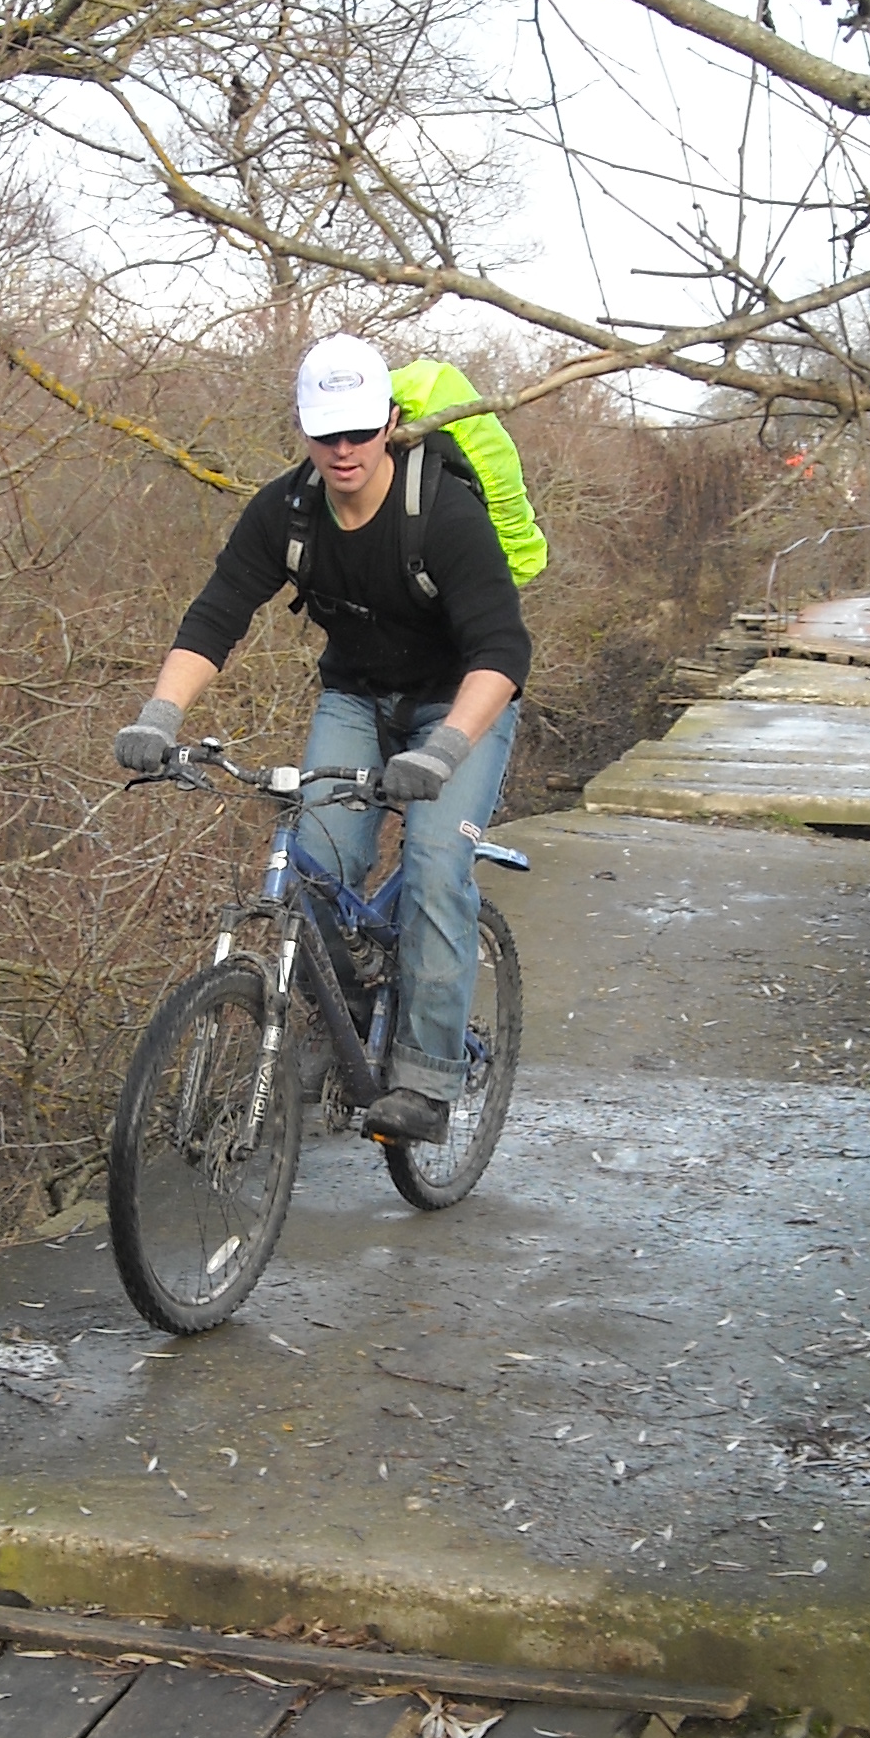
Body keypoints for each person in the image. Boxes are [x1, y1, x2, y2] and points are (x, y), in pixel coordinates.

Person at [115, 332, 529, 1145]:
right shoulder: (288, 511)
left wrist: (444, 750)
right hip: (356, 700)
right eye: (326, 433)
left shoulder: (444, 515)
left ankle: (427, 1080)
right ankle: (355, 1017)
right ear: (303, 429)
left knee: (434, 866)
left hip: (461, 707)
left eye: (361, 431)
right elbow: (217, 615)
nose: (344, 450)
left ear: (391, 423)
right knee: (313, 873)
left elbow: (503, 652)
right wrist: (160, 715)